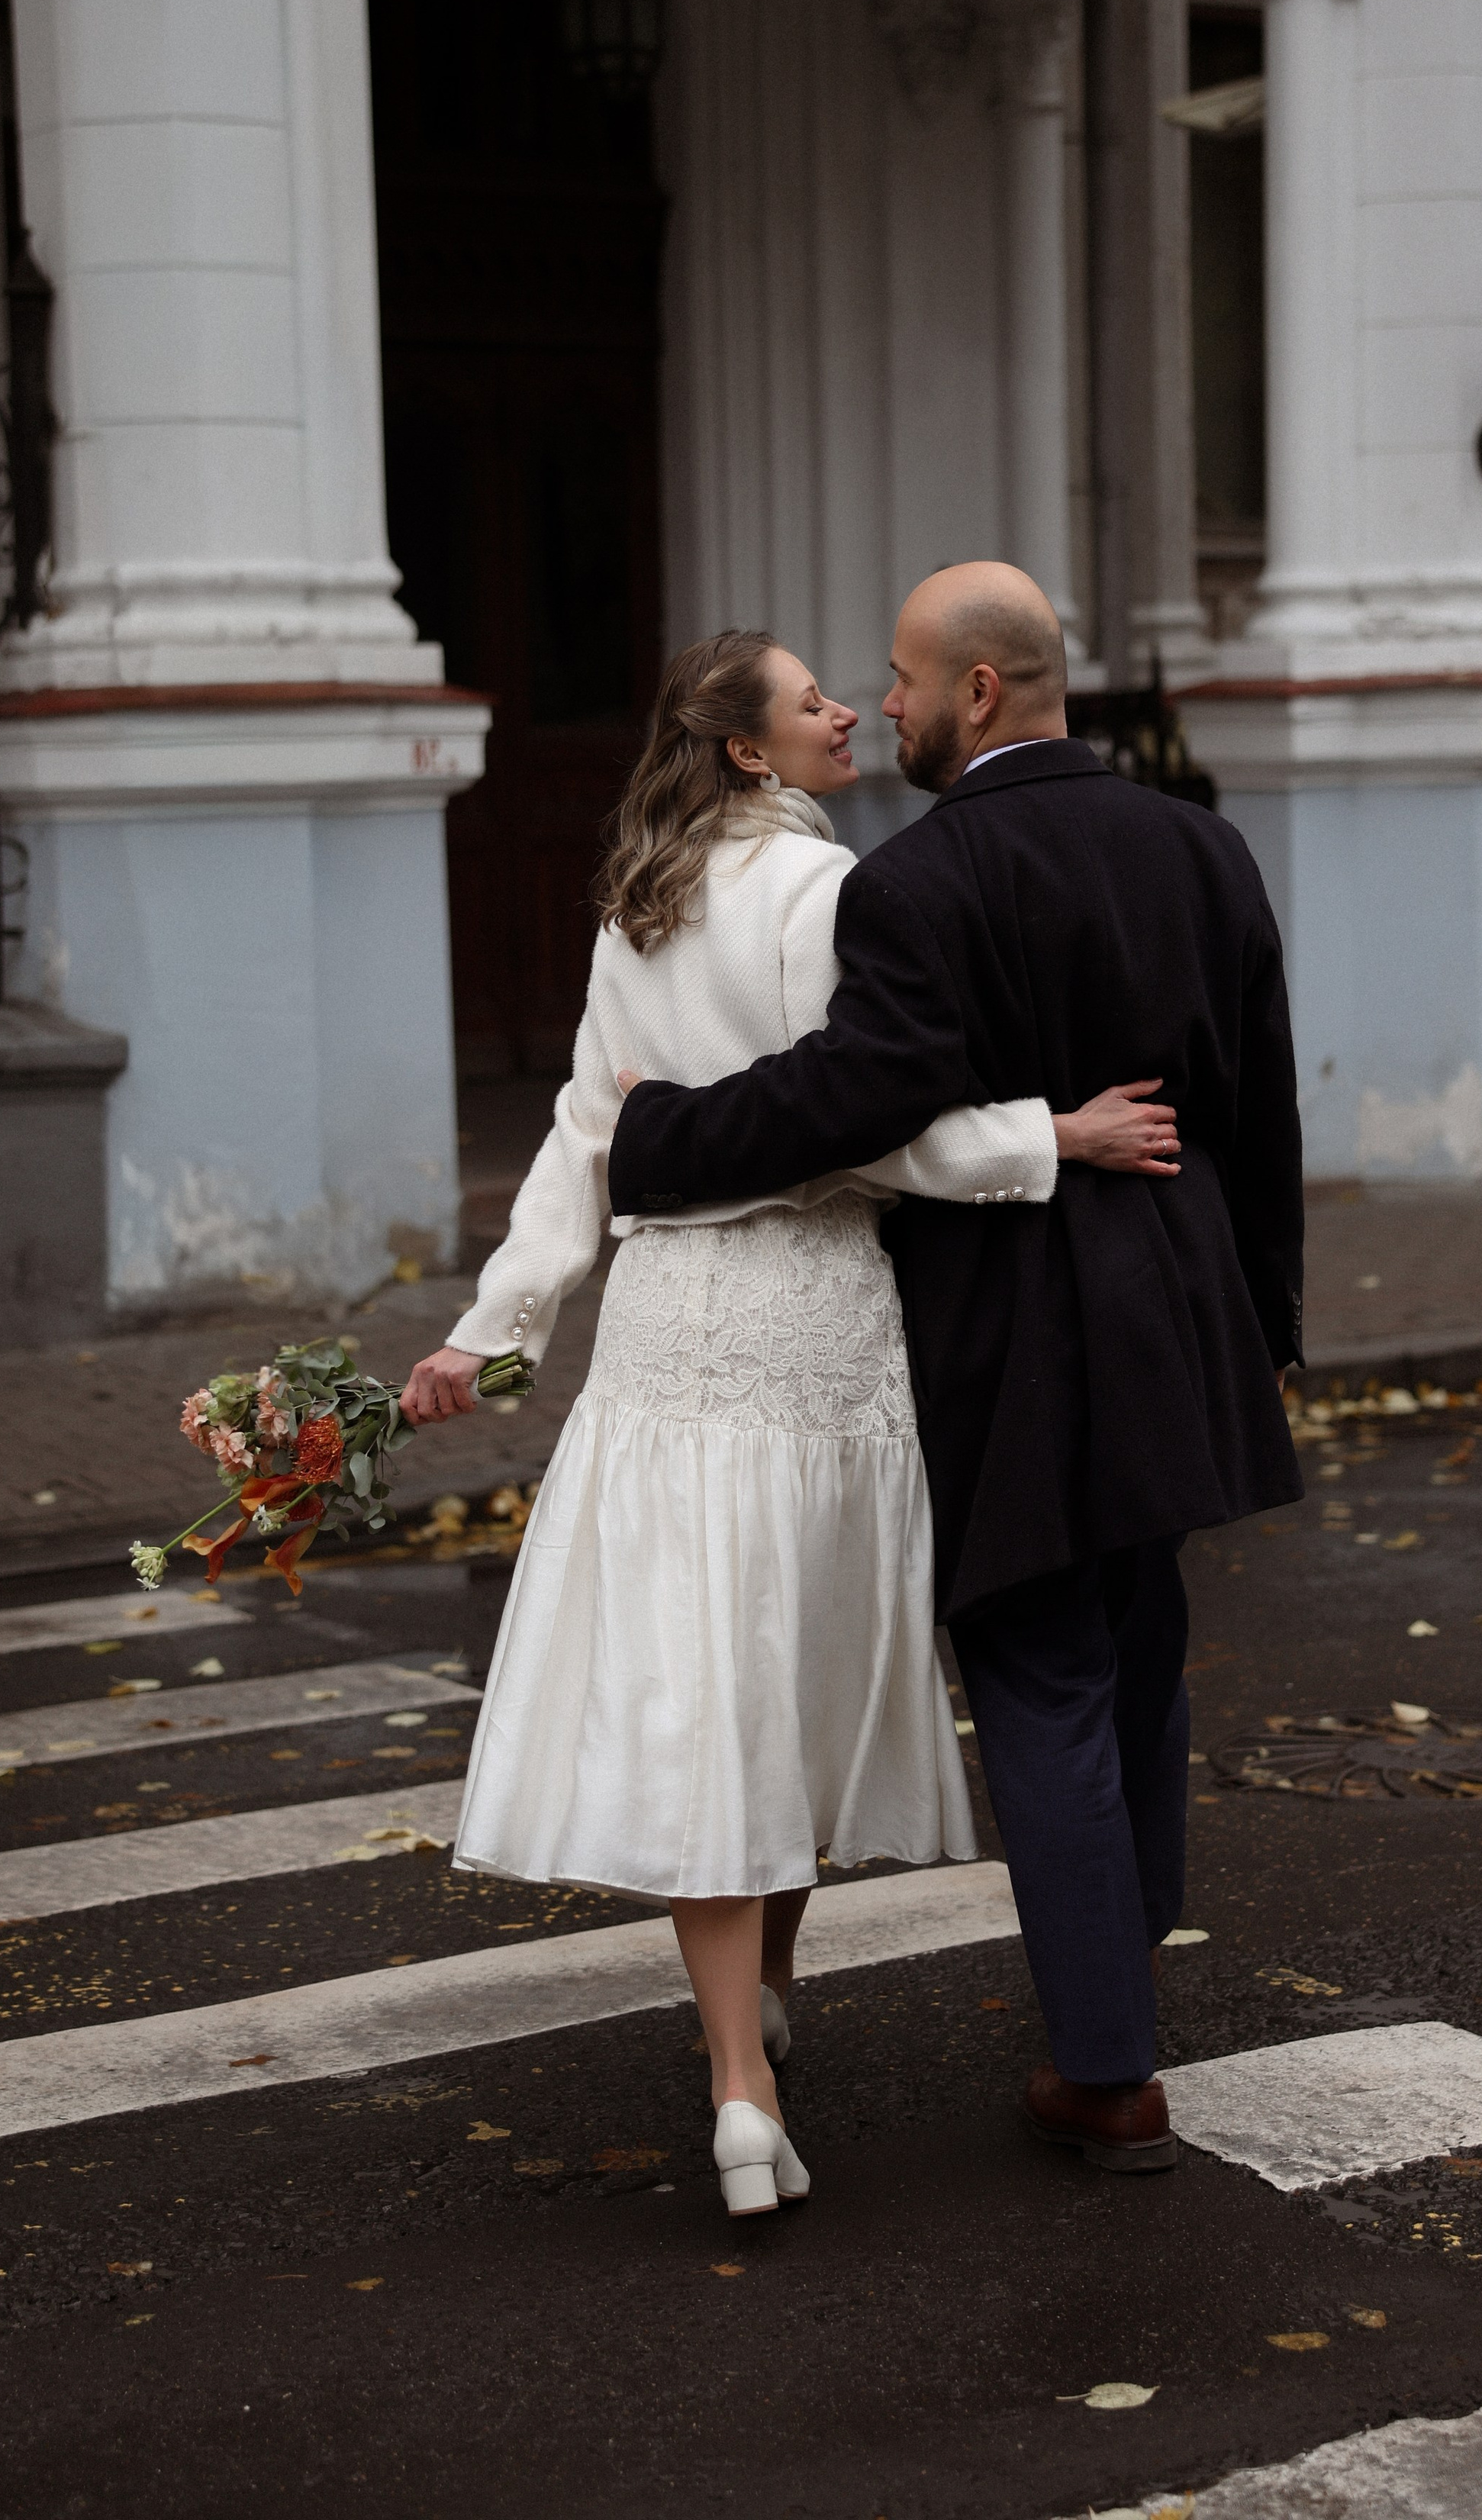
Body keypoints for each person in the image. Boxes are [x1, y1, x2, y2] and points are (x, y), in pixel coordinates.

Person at [401, 627, 1179, 2220]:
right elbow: (878, 1122)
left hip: (666, 1325)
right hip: (814, 1320)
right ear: (749, 750)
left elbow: (584, 1134)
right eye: (812, 699)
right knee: (789, 1688)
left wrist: (496, 1326)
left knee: (710, 1690)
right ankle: (747, 2063)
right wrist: (1057, 1135)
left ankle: (743, 2056)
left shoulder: (641, 903)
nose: (846, 712)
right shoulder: (832, 894)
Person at [607, 563, 1304, 2174]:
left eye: (907, 682)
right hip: (1186, 1303)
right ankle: (1118, 1976)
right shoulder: (1200, 845)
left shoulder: (918, 881)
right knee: (1135, 1655)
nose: (890, 707)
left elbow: (854, 1096)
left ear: (977, 691)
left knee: (1043, 1674)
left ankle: (1108, 2071)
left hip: (1018, 1320)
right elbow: (1260, 1114)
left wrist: (654, 1136)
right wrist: (1265, 1330)